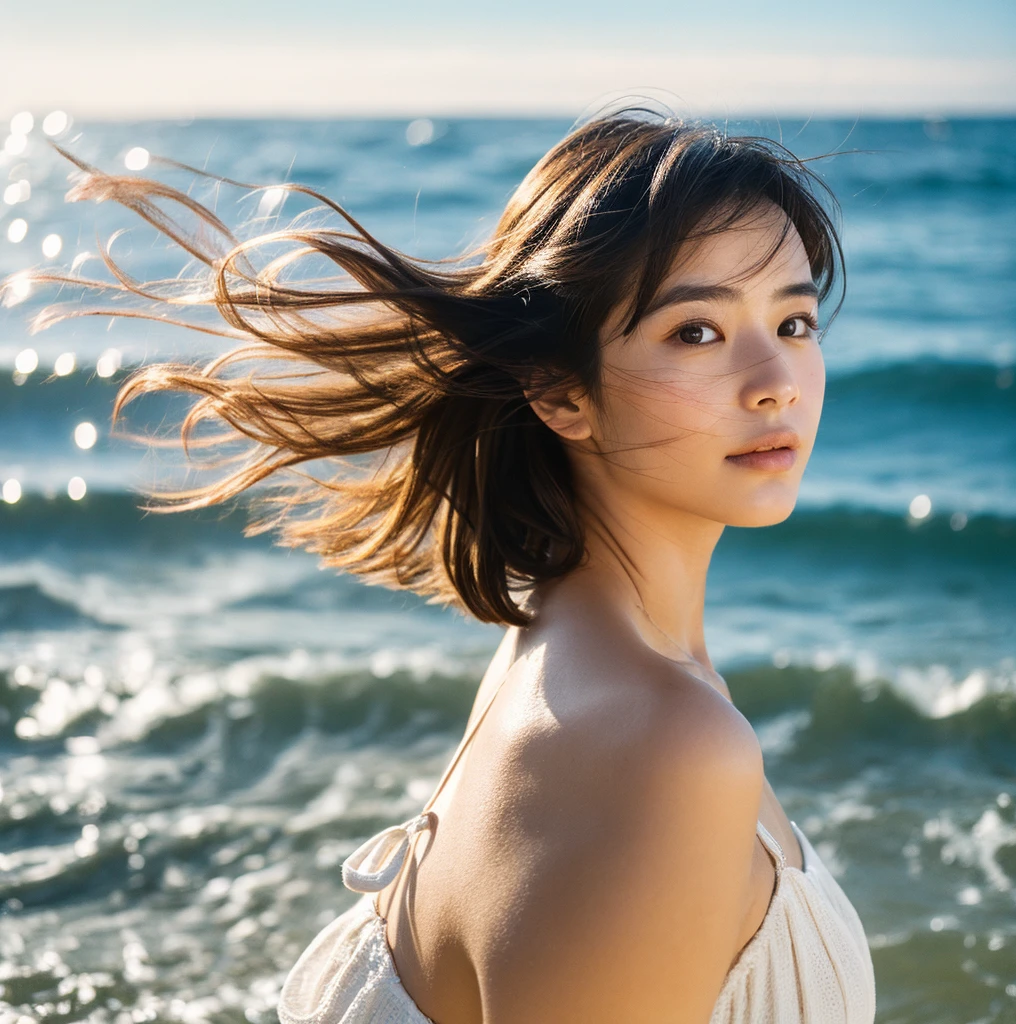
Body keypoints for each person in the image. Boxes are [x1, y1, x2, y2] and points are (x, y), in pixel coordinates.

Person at [15, 107, 876, 1022]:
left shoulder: (574, 657)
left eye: (794, 319)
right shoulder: (659, 742)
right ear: (559, 392)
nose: (775, 376)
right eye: (695, 331)